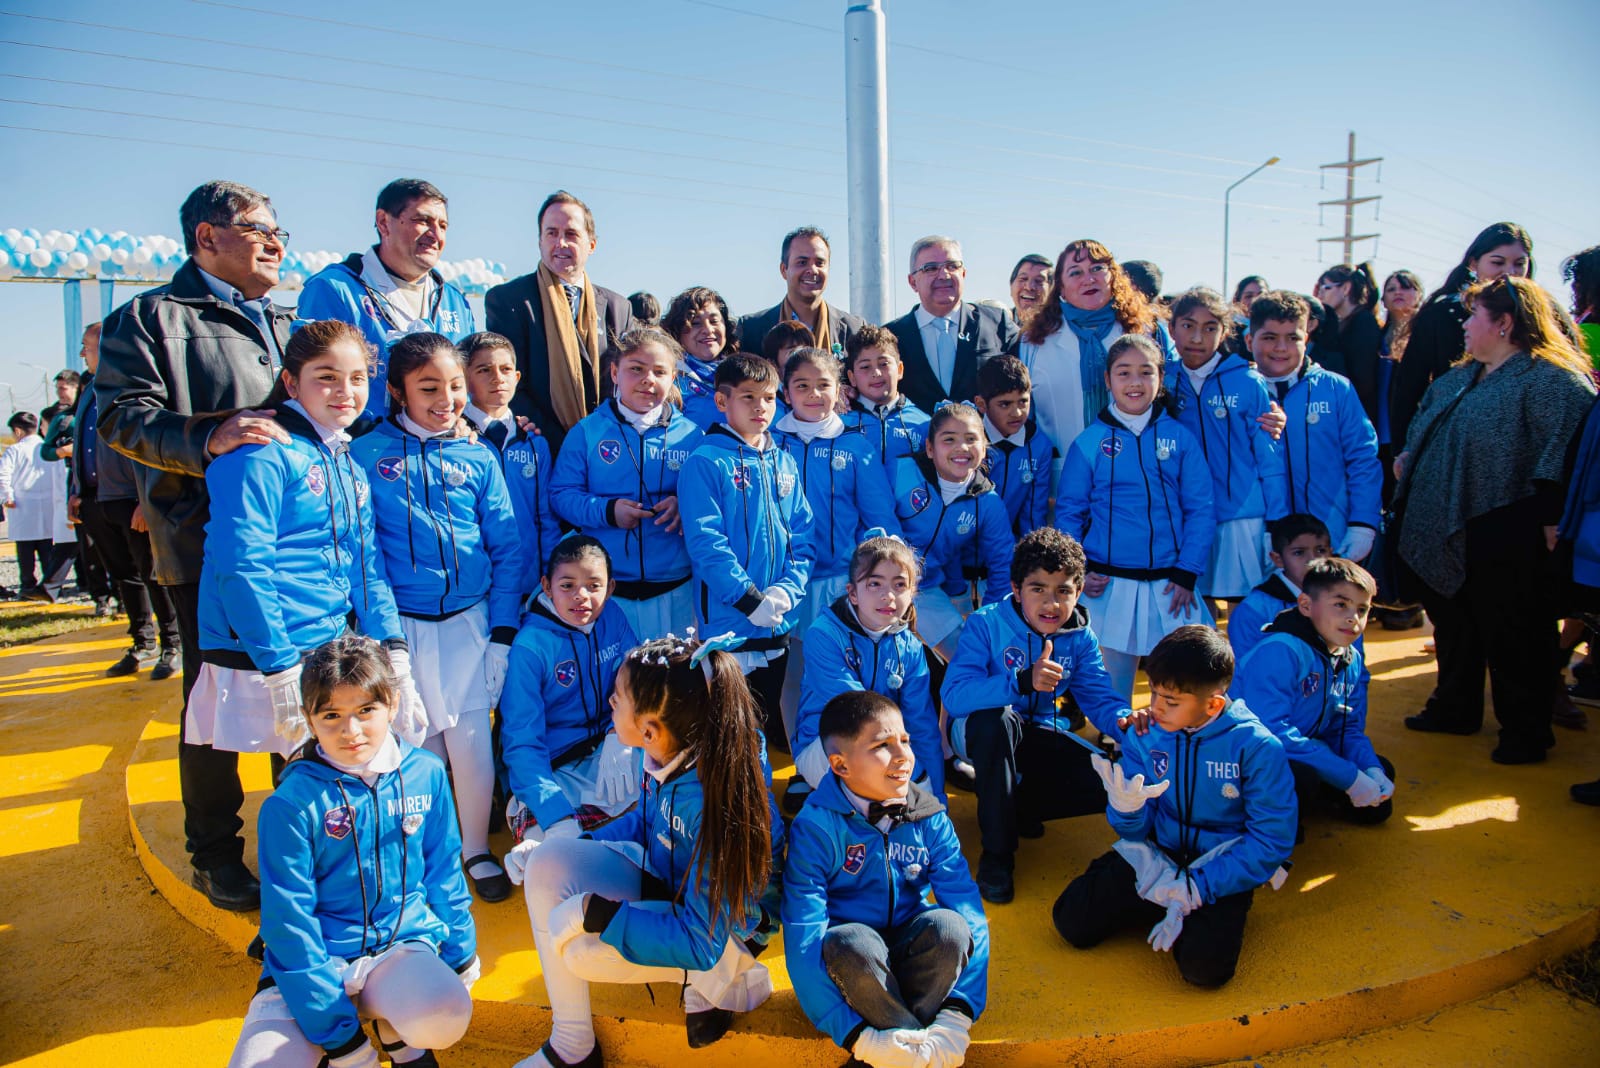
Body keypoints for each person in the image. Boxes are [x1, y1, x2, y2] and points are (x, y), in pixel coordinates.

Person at [97, 179, 295, 911]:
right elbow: (121, 418)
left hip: (293, 545)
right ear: (207, 236)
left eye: (281, 231)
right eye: (260, 229)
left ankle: (297, 840)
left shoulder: (287, 319)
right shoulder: (149, 319)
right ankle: (214, 852)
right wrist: (205, 437)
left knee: (294, 694)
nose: (276, 243)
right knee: (213, 708)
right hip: (205, 542)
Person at [508, 634, 777, 1066]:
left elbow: (700, 939)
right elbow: (648, 820)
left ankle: (733, 978)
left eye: (617, 700)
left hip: (720, 930)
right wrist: (572, 847)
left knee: (583, 952)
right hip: (672, 884)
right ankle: (571, 1044)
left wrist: (597, 912)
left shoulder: (720, 800)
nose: (611, 704)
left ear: (649, 728)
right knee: (548, 863)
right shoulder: (667, 745)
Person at [228, 635, 477, 1068]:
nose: (352, 731)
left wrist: (460, 951)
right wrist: (343, 1043)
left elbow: (443, 874)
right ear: (309, 718)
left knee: (446, 1015)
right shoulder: (290, 804)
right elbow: (289, 925)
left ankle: (396, 1030)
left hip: (400, 948)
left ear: (392, 704)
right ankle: (346, 1031)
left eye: (366, 710)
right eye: (332, 715)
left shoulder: (427, 773)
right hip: (315, 962)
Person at [193, 320, 422, 766]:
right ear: (290, 383)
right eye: (327, 378)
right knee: (300, 786)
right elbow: (242, 567)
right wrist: (278, 667)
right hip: (270, 653)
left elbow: (365, 567)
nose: (345, 391)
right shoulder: (258, 453)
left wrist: (394, 649)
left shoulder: (346, 461)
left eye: (357, 379)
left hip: (327, 645)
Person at [349, 332, 524, 901]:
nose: (446, 399)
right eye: (429, 388)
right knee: (419, 746)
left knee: (472, 742)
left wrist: (501, 633)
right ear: (398, 391)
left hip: (471, 626)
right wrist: (390, 643)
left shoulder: (478, 454)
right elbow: (366, 558)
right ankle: (428, 854)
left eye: (454, 385)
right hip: (404, 628)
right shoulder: (366, 454)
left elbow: (507, 548)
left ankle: (475, 847)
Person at [1394, 276, 1597, 764]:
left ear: (1503, 323)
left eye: (1473, 316)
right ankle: (1454, 708)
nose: (1464, 326)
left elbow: (1570, 455)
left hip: (1510, 527)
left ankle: (1525, 732)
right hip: (1442, 525)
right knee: (1455, 622)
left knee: (1516, 633)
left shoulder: (1550, 379)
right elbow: (1423, 424)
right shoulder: (1461, 376)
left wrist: (1550, 518)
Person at [1052, 625, 1295, 988]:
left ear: (1212, 704)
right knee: (1071, 920)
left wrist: (1197, 887)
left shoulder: (1257, 747)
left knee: (1204, 971)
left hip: (1219, 862)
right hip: (1159, 851)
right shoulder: (1145, 732)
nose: (1155, 708)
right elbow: (1132, 831)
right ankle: (1161, 898)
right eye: (1153, 692)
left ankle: (1179, 903)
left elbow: (1271, 841)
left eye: (1171, 700)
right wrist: (1127, 809)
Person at [783, 691, 987, 1068]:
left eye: (904, 741)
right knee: (850, 943)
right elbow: (803, 936)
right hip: (857, 969)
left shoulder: (929, 816)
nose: (904, 758)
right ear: (840, 765)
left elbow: (969, 911)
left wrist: (958, 1014)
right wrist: (855, 1035)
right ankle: (905, 1052)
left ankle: (900, 1047)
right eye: (882, 745)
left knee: (950, 928)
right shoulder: (816, 827)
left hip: (912, 951)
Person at [942, 527, 1140, 904]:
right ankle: (998, 856)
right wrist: (1020, 680)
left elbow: (1100, 699)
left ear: (1078, 593)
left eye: (1063, 591)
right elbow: (954, 695)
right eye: (1038, 589)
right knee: (994, 722)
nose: (1051, 603)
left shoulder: (1079, 636)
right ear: (1016, 590)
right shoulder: (986, 623)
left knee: (1114, 782)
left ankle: (1019, 805)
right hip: (978, 733)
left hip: (1037, 733)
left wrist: (1128, 722)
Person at [1054, 334, 1215, 700]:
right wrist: (1079, 571)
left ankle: (1170, 748)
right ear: (1108, 380)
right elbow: (1069, 513)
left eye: (1146, 372)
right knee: (1112, 689)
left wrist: (1187, 570)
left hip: (1172, 585)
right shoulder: (1089, 442)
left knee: (1181, 684)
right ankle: (1117, 749)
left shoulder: (1180, 438)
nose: (1135, 382)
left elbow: (1201, 509)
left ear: (1160, 378)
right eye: (1124, 373)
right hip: (1108, 585)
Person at [678, 353, 816, 754]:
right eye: (749, 397)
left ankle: (763, 812)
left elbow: (803, 539)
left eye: (770, 398)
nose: (761, 408)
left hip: (775, 623)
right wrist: (748, 599)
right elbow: (707, 543)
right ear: (722, 402)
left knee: (764, 723)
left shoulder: (783, 462)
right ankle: (734, 815)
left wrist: (787, 592)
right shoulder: (705, 461)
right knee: (731, 735)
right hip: (729, 625)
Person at [772, 347, 900, 747]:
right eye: (802, 386)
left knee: (840, 676)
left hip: (840, 585)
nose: (813, 395)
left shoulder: (856, 445)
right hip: (786, 584)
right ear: (786, 392)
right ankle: (801, 758)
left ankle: (845, 759)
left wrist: (879, 574)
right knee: (793, 676)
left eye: (823, 385)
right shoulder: (770, 442)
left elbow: (880, 519)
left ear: (839, 389)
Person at [550, 327, 703, 640]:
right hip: (608, 591)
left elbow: (709, 500)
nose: (648, 379)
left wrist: (683, 504)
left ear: (673, 378)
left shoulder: (692, 436)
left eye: (660, 372)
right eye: (636, 369)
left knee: (669, 685)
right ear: (614, 372)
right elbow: (561, 494)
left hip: (676, 588)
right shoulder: (587, 431)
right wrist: (608, 511)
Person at [296, 178, 475, 423]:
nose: (435, 235)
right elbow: (310, 383)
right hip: (360, 451)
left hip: (438, 453)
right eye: (422, 221)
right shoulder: (334, 290)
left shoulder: (455, 302)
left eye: (443, 225)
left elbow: (471, 386)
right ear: (383, 222)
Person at [499, 535, 639, 844]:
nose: (581, 596)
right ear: (546, 586)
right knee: (544, 835)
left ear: (611, 587)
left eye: (593, 586)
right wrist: (555, 816)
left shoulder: (612, 615)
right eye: (567, 586)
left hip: (609, 746)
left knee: (669, 776)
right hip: (554, 767)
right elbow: (522, 744)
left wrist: (619, 734)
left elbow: (636, 682)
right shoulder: (529, 647)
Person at [1236, 557, 1393, 833]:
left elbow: (1348, 729)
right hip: (1247, 755)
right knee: (1300, 779)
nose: (1352, 619)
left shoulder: (1350, 658)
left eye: (1362, 609)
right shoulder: (1280, 651)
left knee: (1381, 771)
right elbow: (1270, 732)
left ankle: (1313, 798)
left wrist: (1369, 770)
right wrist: (1348, 778)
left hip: (1302, 747)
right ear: (1306, 606)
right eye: (1340, 604)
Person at [62, 323, 181, 675]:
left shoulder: (132, 385)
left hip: (132, 499)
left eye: (88, 347)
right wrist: (77, 491)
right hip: (98, 500)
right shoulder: (88, 389)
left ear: (108, 349)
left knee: (152, 573)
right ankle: (142, 642)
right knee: (123, 575)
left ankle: (171, 645)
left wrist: (147, 501)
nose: (83, 354)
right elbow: (83, 447)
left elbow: (148, 445)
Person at [791, 532, 937, 809]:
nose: (888, 596)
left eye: (899, 585)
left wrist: (934, 796)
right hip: (826, 745)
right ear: (852, 593)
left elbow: (923, 726)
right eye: (874, 584)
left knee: (922, 794)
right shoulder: (823, 634)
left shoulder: (911, 647)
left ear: (912, 592)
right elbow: (855, 711)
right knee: (876, 770)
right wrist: (905, 773)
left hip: (889, 748)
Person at [1020, 239, 1178, 491]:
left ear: (1113, 276)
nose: (1088, 279)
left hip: (1139, 479)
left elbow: (1178, 394)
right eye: (1075, 272)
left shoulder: (1148, 332)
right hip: (1059, 484)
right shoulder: (1033, 342)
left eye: (1097, 269)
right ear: (1060, 286)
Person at [1164, 287, 1287, 602]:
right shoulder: (1163, 380)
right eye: (1188, 325)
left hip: (1241, 516)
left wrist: (1276, 522)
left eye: (1210, 328)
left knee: (1245, 605)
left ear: (1224, 332)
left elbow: (1269, 458)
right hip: (1184, 516)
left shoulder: (1247, 380)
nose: (1197, 337)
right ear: (1171, 328)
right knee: (1193, 607)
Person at [485, 190, 634, 449]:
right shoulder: (509, 300)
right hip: (540, 445)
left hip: (607, 448)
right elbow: (510, 385)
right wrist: (565, 444)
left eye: (571, 234)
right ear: (540, 241)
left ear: (592, 244)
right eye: (552, 233)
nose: (561, 243)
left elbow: (625, 384)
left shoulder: (617, 307)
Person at [1248, 290, 1382, 565]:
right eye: (1270, 337)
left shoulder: (1336, 388)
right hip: (1262, 540)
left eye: (1293, 338)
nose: (1281, 348)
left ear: (1307, 339)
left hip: (1331, 536)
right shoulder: (1238, 393)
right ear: (1250, 339)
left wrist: (1363, 523)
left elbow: (1363, 458)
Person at [1390, 222, 1533, 447]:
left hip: (1518, 440)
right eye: (1497, 262)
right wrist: (1402, 450)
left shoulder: (1538, 317)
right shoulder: (1443, 314)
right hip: (1452, 438)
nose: (1510, 273)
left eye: (1519, 264)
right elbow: (1409, 386)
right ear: (1474, 263)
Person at [893, 402, 1013, 662]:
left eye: (971, 439)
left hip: (926, 590)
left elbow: (1003, 567)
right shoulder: (901, 472)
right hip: (882, 585)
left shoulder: (988, 502)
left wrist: (989, 622)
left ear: (985, 446)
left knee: (967, 660)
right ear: (929, 448)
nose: (961, 448)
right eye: (949, 440)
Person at [461, 331, 561, 600]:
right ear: (464, 378)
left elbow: (546, 520)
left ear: (517, 377)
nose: (497, 378)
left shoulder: (533, 442)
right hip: (476, 587)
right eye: (484, 370)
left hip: (529, 586)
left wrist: (550, 575)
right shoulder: (457, 439)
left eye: (505, 369)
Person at [885, 236, 1019, 412]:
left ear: (963, 273)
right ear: (912, 282)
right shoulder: (892, 336)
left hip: (985, 438)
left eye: (952, 266)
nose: (944, 275)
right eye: (931, 268)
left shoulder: (996, 324)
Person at [1370, 269, 1428, 631]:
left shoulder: (1426, 332)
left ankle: (1411, 602)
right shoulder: (1376, 336)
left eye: (1406, 287)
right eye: (1391, 288)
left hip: (1410, 438)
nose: (1398, 293)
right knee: (1385, 520)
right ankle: (1387, 597)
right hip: (1380, 438)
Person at [737, 226, 865, 358]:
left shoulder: (854, 329)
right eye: (802, 262)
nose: (813, 270)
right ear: (783, 270)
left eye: (820, 263)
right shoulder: (751, 329)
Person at [1228, 513, 1332, 663]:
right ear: (1278, 559)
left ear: (1332, 553)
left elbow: (1354, 666)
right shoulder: (1252, 610)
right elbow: (1243, 669)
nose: (1312, 560)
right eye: (1299, 553)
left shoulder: (1342, 600)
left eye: (1321, 550)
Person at [973, 355, 1054, 539]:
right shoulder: (967, 442)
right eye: (1005, 404)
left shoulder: (1040, 446)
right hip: (965, 555)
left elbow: (1034, 514)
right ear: (981, 404)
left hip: (1011, 552)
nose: (1016, 412)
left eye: (1023, 401)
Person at [843, 325, 932, 476]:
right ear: (852, 377)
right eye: (865, 366)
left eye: (884, 364)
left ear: (900, 370)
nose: (876, 373)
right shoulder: (839, 423)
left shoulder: (924, 424)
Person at [1313, 263, 1383, 430]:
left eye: (1326, 288)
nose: (1320, 295)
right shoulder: (1338, 323)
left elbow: (1363, 378)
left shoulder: (1363, 322)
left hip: (1356, 416)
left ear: (1346, 288)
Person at [663, 286, 740, 431]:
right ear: (677, 331)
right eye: (695, 323)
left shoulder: (742, 375)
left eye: (714, 321)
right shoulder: (669, 381)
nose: (708, 329)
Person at [1, 412, 55, 596]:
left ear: (17, 431)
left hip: (22, 506)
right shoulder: (47, 448)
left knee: (26, 552)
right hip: (48, 506)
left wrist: (7, 496)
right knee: (48, 549)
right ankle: (50, 585)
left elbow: (3, 475)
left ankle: (28, 585)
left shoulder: (14, 451)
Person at [1227, 275, 1267, 358]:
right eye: (1249, 296)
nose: (1255, 300)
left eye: (1261, 295)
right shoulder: (1228, 331)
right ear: (1237, 300)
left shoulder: (1275, 328)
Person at [1008, 253, 1052, 328]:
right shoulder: (996, 327)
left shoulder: (1062, 330)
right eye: (1023, 279)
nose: (1029, 287)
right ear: (1011, 285)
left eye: (1038, 281)